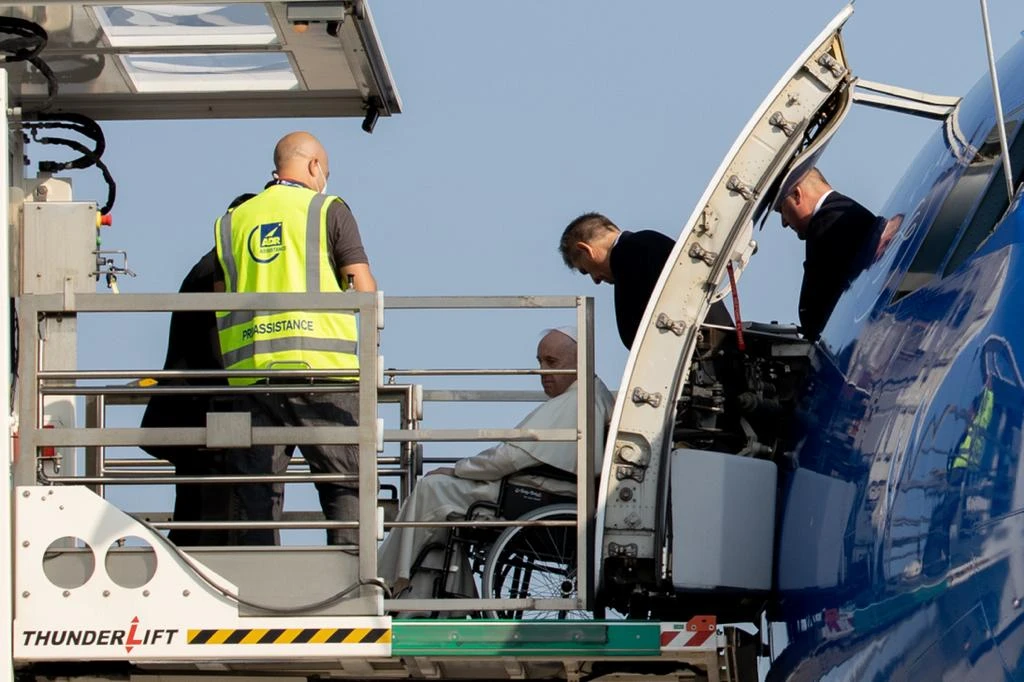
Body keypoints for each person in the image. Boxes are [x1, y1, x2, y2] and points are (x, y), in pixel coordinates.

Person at [214, 131, 377, 546]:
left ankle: (256, 584)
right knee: (344, 482)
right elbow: (363, 287)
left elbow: (217, 294)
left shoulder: (233, 221)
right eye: (326, 170)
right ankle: (350, 577)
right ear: (313, 166)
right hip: (321, 371)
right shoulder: (327, 209)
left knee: (255, 492)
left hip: (250, 378)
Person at [378, 327, 615, 598]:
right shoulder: (593, 394)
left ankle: (384, 581)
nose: (542, 372)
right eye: (539, 362)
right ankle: (438, 595)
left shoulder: (577, 400)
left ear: (580, 361)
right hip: (546, 493)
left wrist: (459, 469)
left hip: (533, 496)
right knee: (441, 501)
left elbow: (510, 458)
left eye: (552, 362)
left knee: (431, 487)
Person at [140, 193, 256, 546]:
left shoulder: (209, 267)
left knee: (200, 513)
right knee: (215, 520)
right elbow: (220, 350)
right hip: (210, 414)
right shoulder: (219, 272)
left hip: (199, 412)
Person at [558, 213, 733, 349]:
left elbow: (634, 335)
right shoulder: (648, 243)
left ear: (586, 249)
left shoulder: (626, 253)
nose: (595, 280)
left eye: (585, 270)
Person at [775, 168, 882, 340]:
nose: (784, 222)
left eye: (781, 210)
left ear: (797, 194)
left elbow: (815, 313)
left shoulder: (826, 223)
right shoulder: (845, 210)